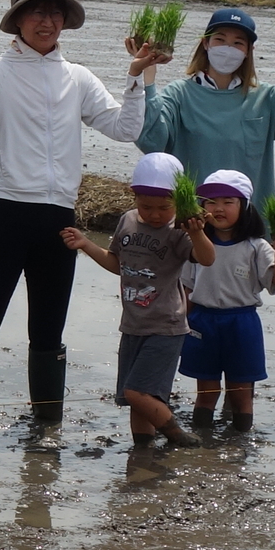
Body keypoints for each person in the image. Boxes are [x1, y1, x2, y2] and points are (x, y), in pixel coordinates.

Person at [0, 0, 151, 442]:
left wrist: (136, 76)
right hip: (3, 214)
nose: (47, 20)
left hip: (57, 219)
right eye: (37, 11)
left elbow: (124, 129)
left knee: (49, 329)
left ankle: (46, 428)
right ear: (17, 20)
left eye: (55, 12)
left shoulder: (77, 77)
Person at [62, 151, 214, 448]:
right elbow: (118, 263)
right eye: (146, 207)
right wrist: (85, 244)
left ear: (178, 202)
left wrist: (197, 234)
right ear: (134, 199)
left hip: (165, 326)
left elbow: (207, 258)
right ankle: (142, 450)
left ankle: (177, 436)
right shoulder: (129, 221)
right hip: (132, 324)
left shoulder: (180, 230)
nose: (155, 214)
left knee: (137, 392)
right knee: (138, 401)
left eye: (163, 207)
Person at [135, 5, 275, 212]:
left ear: (249, 51)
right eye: (220, 39)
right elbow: (151, 141)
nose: (227, 48)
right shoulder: (179, 94)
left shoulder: (265, 98)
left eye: (238, 43)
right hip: (194, 223)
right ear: (205, 43)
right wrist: (148, 73)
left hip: (250, 226)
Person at [176, 168, 275, 433]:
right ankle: (201, 441)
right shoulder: (196, 243)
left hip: (242, 322)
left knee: (241, 392)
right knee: (206, 390)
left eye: (228, 202)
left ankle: (241, 444)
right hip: (203, 320)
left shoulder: (256, 246)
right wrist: (180, 325)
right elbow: (186, 289)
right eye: (211, 202)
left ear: (244, 206)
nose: (218, 208)